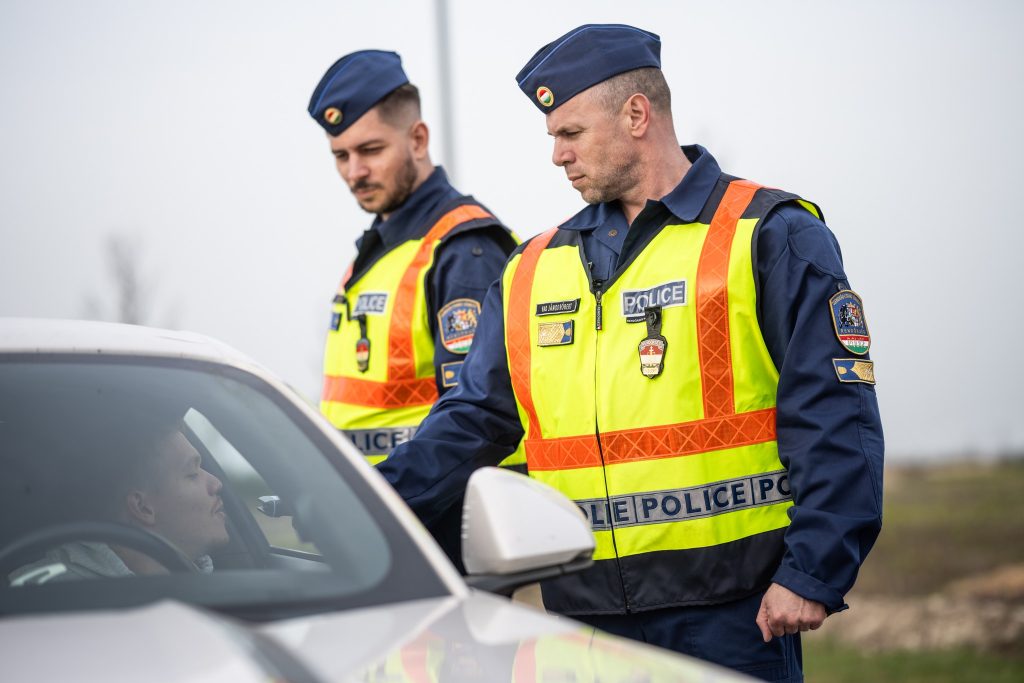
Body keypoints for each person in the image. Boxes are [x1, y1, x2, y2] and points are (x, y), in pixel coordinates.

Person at [378, 24, 884, 682]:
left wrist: (813, 571)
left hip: (731, 618)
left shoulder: (772, 234)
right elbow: (474, 418)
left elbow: (834, 413)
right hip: (579, 622)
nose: (556, 155)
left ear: (637, 114)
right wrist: (369, 499)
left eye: (571, 132)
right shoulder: (531, 267)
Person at [307, 50, 519, 566]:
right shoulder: (383, 248)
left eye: (371, 150)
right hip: (383, 534)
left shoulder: (461, 249)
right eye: (341, 156)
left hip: (439, 538)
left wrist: (373, 502)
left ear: (418, 139)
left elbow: (475, 421)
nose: (354, 172)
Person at [11, 418, 229, 583]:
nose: (216, 483)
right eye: (192, 473)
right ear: (142, 507)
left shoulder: (203, 582)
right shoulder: (48, 597)